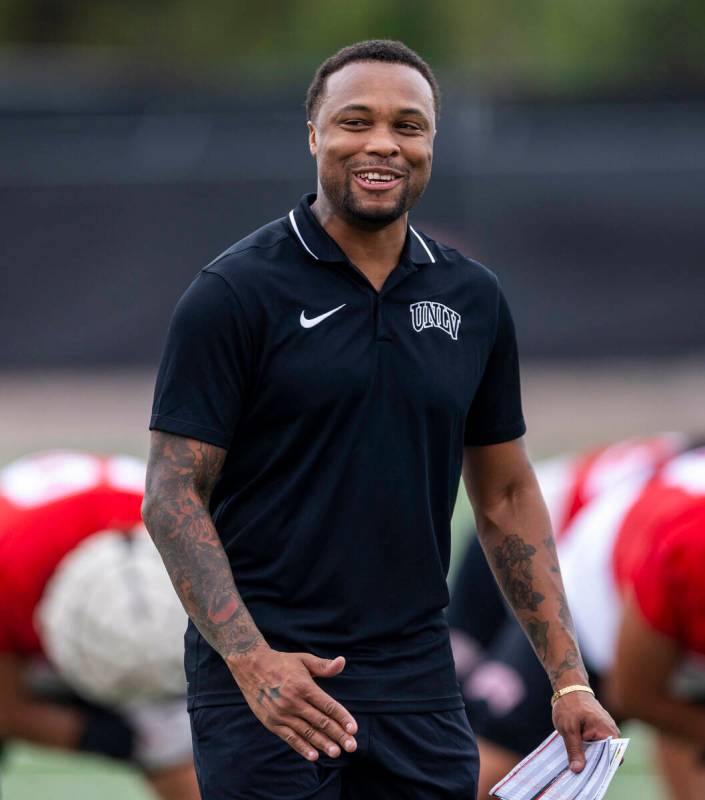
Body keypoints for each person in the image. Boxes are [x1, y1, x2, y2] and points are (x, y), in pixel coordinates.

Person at [142, 39, 617, 800]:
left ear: (430, 142)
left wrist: (566, 682)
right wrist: (250, 660)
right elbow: (171, 495)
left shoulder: (473, 300)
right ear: (313, 135)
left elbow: (502, 497)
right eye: (354, 122)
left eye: (408, 126)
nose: (381, 145)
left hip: (419, 680)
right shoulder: (232, 292)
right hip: (272, 684)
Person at [450, 440, 705, 800]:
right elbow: (633, 692)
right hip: (549, 560)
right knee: (487, 769)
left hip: (622, 557)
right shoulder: (689, 551)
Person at [0, 450, 199, 800]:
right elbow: (7, 707)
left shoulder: (190, 530)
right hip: (21, 615)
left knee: (185, 752)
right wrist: (86, 733)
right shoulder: (9, 573)